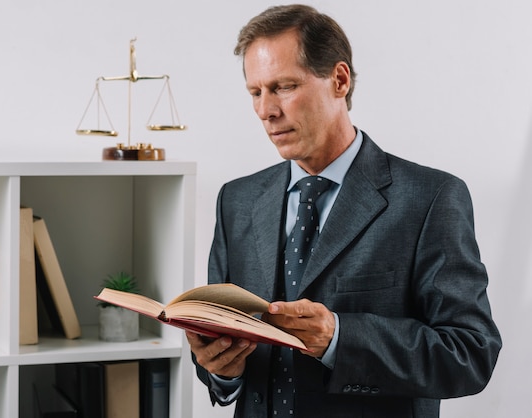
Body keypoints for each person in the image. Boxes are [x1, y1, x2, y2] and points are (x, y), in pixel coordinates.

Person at [186, 4, 501, 418]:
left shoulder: (431, 198)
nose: (266, 110)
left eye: (283, 86)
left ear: (339, 79)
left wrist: (339, 337)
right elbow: (222, 336)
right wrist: (219, 369)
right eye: (255, 92)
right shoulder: (237, 199)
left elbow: (470, 354)